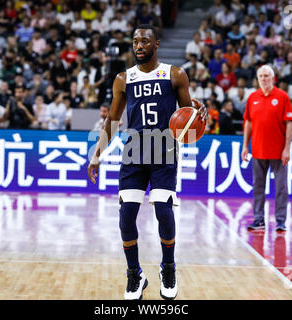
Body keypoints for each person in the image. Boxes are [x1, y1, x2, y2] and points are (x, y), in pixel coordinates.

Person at [87, 25, 206, 300]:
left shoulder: (175, 75)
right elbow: (113, 121)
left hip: (164, 152)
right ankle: (134, 274)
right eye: (135, 41)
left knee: (163, 211)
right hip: (134, 153)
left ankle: (168, 268)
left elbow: (189, 119)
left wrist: (201, 116)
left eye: (144, 41)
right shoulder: (122, 79)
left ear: (157, 44)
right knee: (126, 216)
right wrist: (97, 156)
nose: (138, 45)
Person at [241, 65, 292, 232]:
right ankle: (258, 219)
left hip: (278, 152)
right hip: (258, 150)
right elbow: (248, 122)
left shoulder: (283, 97)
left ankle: (280, 221)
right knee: (258, 187)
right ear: (257, 79)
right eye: (261, 76)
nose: (264, 79)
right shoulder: (252, 98)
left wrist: (287, 148)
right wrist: (245, 146)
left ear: (273, 78)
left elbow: (290, 123)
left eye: (266, 76)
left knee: (281, 188)